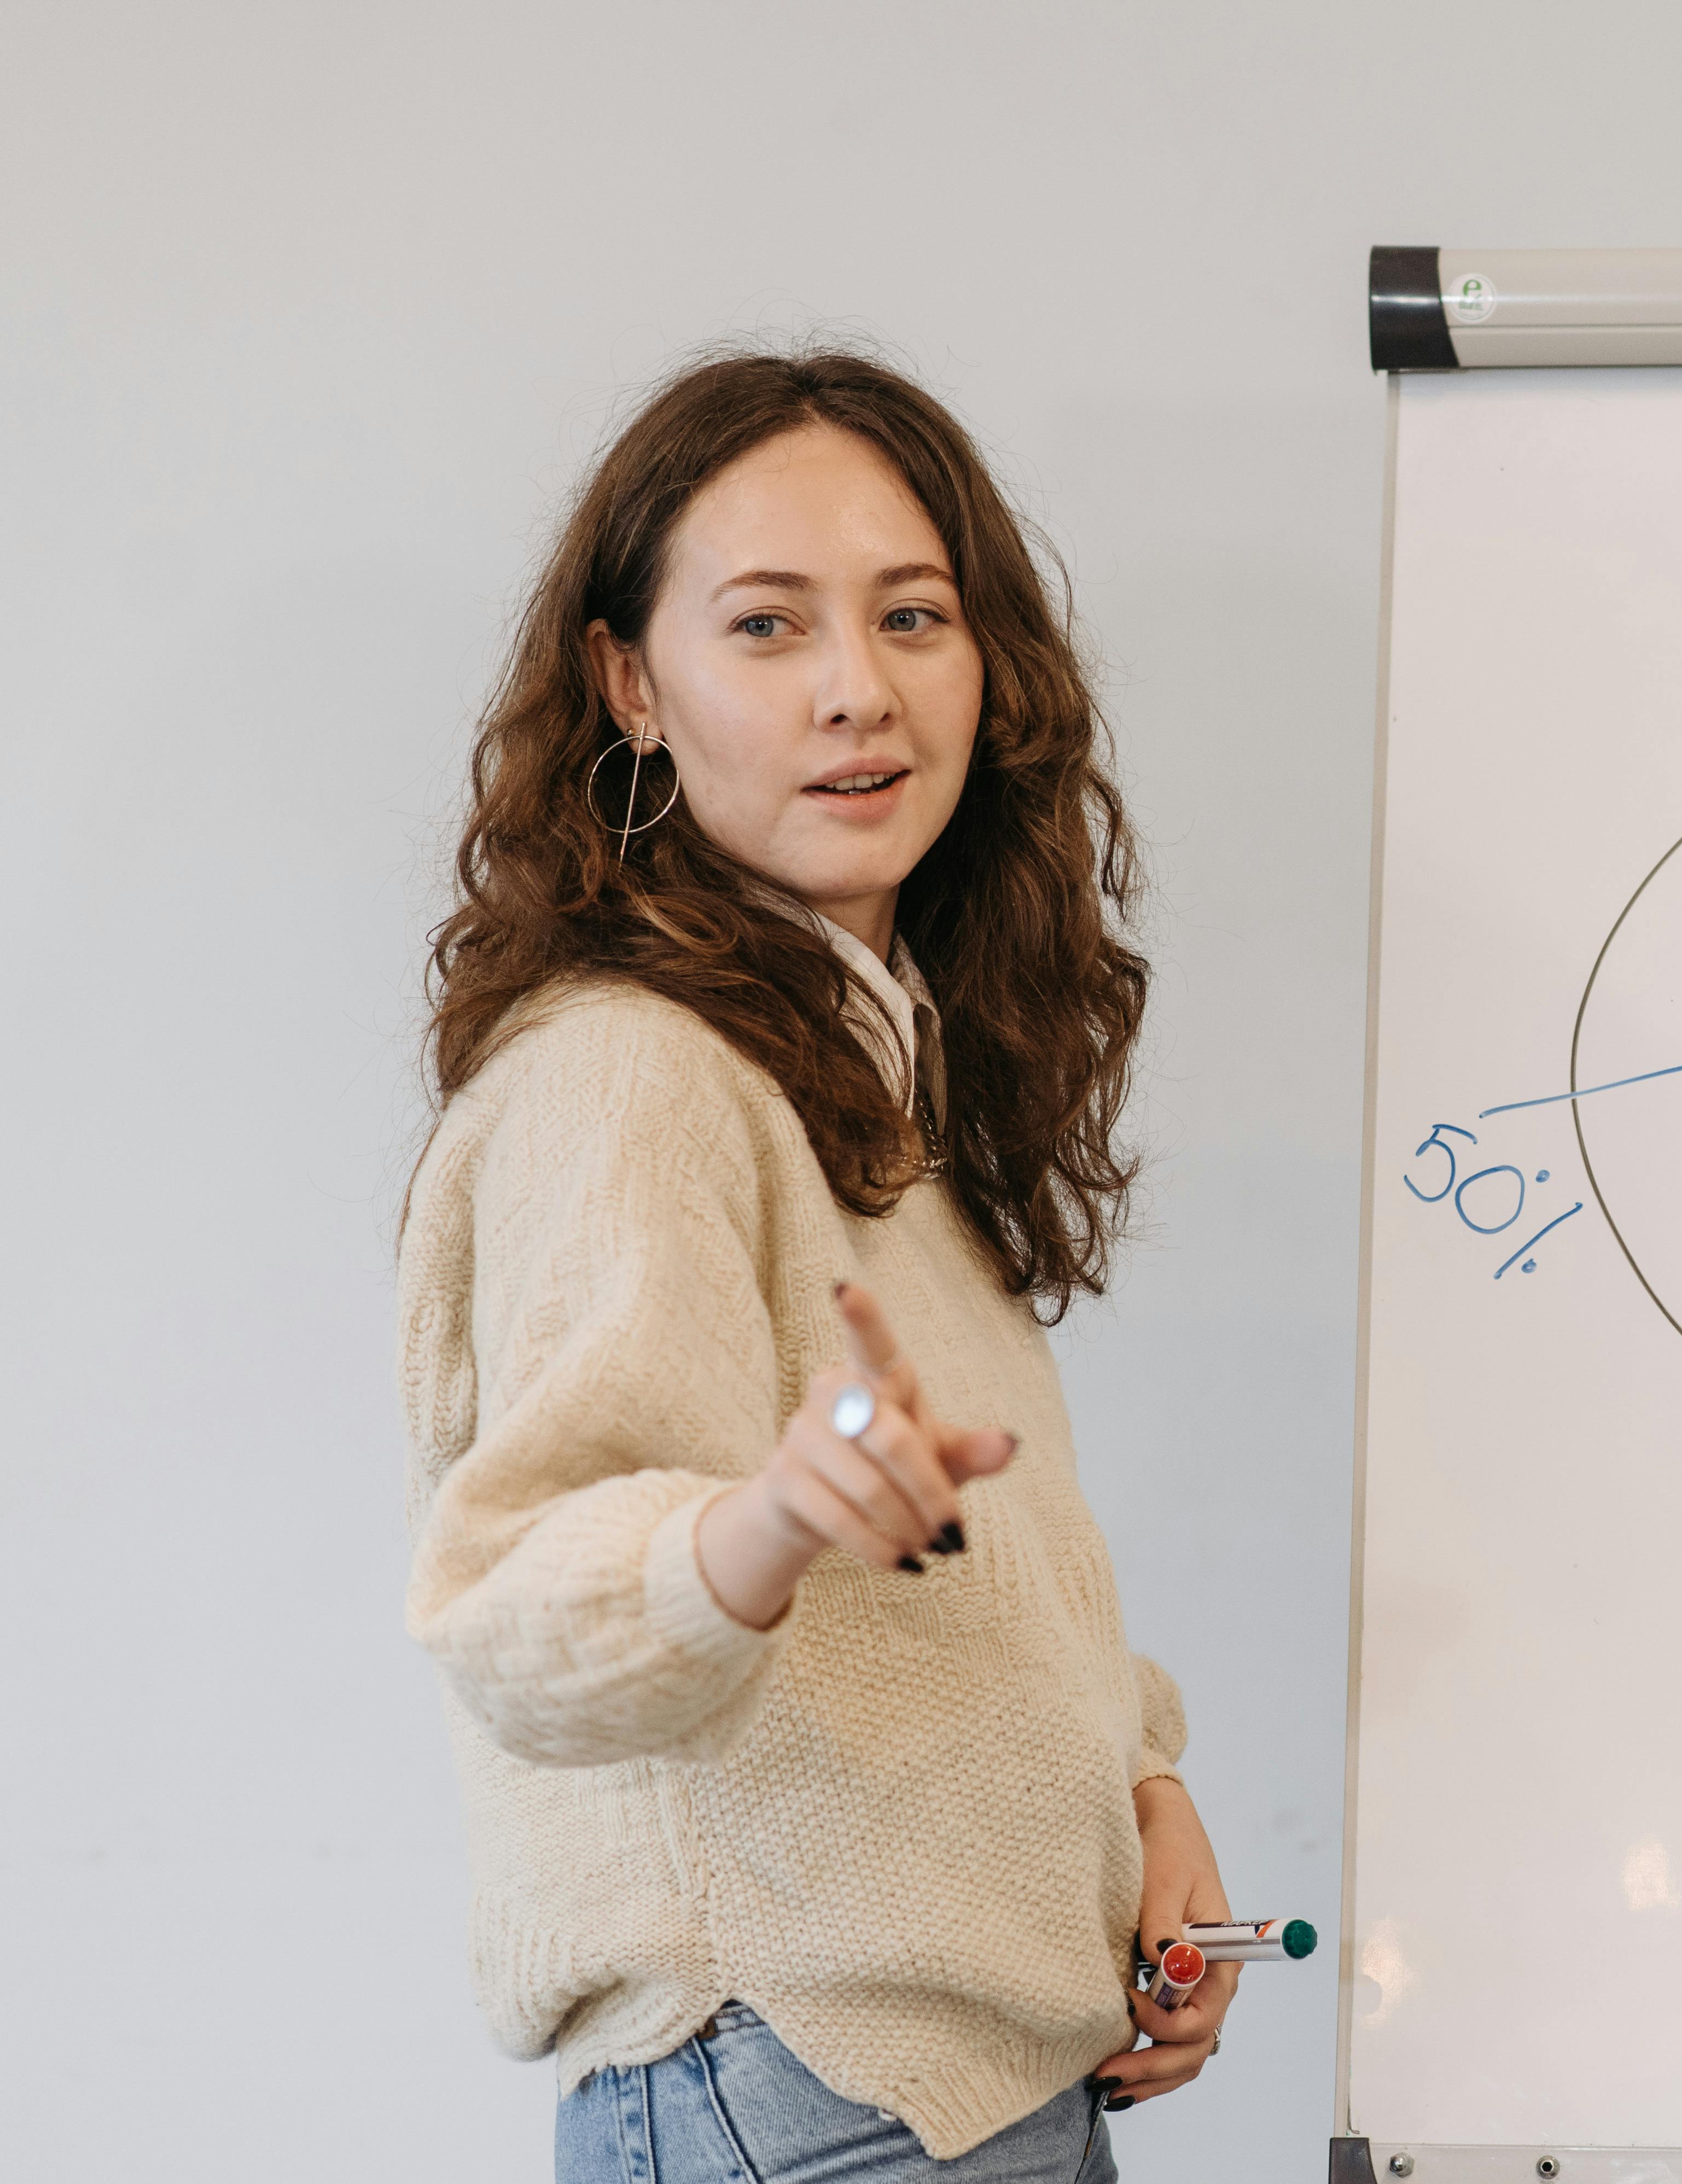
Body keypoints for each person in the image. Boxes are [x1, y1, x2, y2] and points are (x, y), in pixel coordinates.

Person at [399, 349, 1230, 2181]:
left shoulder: (864, 1061)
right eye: (768, 625)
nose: (860, 687)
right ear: (630, 683)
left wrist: (1144, 1783)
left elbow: (981, 1594)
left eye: (912, 615)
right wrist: (766, 1522)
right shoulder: (633, 1072)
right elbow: (514, 1603)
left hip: (966, 2093)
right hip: (805, 2097)